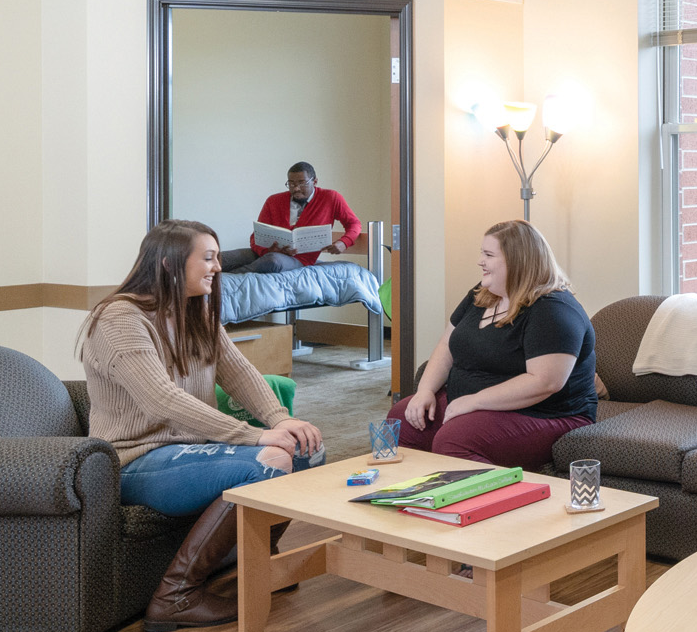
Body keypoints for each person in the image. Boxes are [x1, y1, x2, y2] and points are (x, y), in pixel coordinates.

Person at [80, 219, 326, 631]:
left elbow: (241, 374)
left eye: (216, 258)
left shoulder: (195, 309)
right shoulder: (119, 318)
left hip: (190, 451)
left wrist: (284, 421)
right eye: (208, 258)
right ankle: (175, 596)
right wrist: (257, 435)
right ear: (169, 264)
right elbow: (162, 397)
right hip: (136, 460)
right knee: (268, 463)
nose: (217, 267)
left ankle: (256, 565)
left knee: (305, 448)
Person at [387, 220, 597, 468]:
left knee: (456, 440)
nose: (480, 261)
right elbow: (447, 344)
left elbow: (545, 382)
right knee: (401, 419)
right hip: (473, 402)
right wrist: (425, 391)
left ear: (517, 261)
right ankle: (410, 497)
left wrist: (473, 401)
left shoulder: (553, 309)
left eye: (488, 255)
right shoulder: (482, 294)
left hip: (547, 413)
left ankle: (480, 502)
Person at [220, 161, 362, 273]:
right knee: (221, 258)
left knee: (273, 261)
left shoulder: (331, 198)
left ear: (315, 181)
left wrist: (344, 242)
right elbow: (255, 238)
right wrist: (268, 250)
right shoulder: (273, 201)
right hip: (267, 253)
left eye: (302, 183)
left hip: (300, 259)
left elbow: (354, 224)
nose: (296, 188)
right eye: (291, 183)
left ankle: (224, 281)